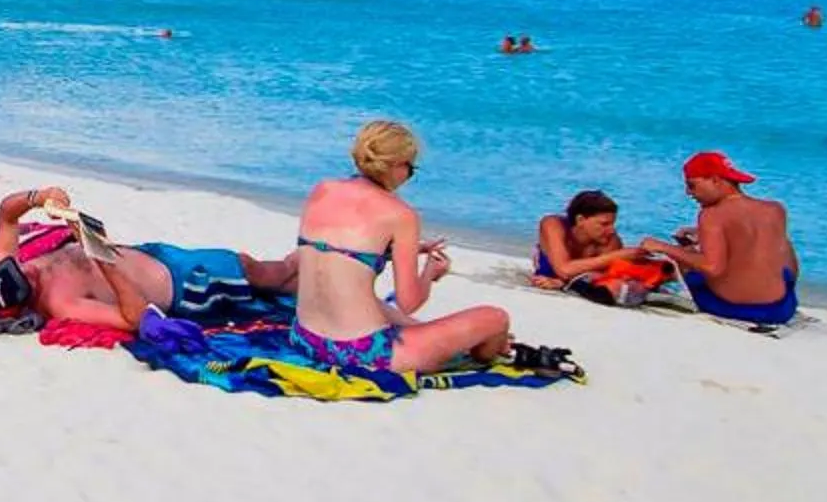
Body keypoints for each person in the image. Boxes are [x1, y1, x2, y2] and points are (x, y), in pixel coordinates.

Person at [287, 121, 515, 375]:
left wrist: (409, 250)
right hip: (366, 352)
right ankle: (486, 351)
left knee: (359, 294)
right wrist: (430, 273)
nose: (410, 175)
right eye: (411, 167)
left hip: (305, 338)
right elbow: (409, 302)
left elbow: (340, 252)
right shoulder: (400, 214)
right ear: (395, 165)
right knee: (496, 318)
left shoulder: (323, 190)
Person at [0, 187, 295, 326]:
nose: (29, 273)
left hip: (150, 252)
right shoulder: (62, 304)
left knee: (255, 267)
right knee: (258, 272)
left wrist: (41, 196)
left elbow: (7, 214)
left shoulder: (4, 270)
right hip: (181, 282)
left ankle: (311, 263)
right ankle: (308, 267)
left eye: (18, 270)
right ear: (24, 303)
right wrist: (97, 252)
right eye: (26, 284)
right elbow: (133, 317)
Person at [641, 151, 800, 326]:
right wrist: (704, 234)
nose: (688, 192)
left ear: (715, 180)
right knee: (776, 243)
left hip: (735, 309)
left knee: (687, 255)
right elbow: (790, 266)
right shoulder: (775, 209)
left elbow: (712, 267)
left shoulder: (712, 215)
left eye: (691, 185)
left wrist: (664, 247)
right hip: (782, 309)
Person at [531, 190, 678, 305]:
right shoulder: (553, 225)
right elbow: (564, 269)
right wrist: (617, 256)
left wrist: (563, 283)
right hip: (553, 271)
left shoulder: (610, 241)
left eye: (613, 224)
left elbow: (606, 276)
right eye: (604, 224)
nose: (612, 230)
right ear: (581, 220)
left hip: (580, 281)